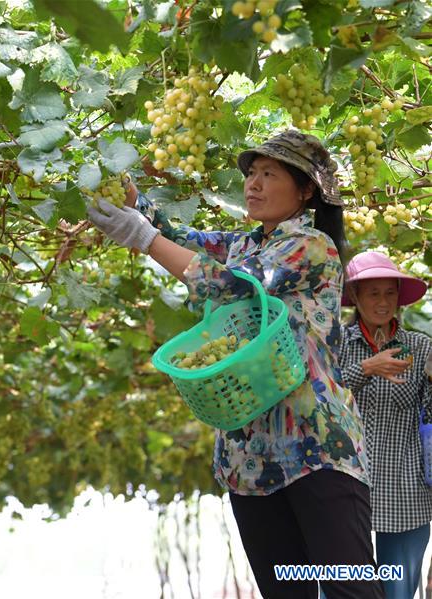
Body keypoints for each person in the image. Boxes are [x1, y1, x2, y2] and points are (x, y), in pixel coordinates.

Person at [88, 130, 383, 598]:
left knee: (353, 591)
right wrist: (135, 202)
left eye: (270, 174)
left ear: (306, 191)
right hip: (250, 460)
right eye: (251, 174)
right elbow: (185, 239)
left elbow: (234, 284)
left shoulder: (311, 246)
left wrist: (143, 239)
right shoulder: (246, 244)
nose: (253, 184)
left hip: (316, 447)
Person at [340, 251, 432, 598]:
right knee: (342, 591)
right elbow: (318, 399)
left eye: (390, 293)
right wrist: (367, 368)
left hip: (405, 493)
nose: (383, 302)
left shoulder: (420, 347)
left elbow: (429, 415)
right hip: (345, 491)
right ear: (355, 297)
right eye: (373, 293)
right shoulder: (335, 344)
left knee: (398, 593)